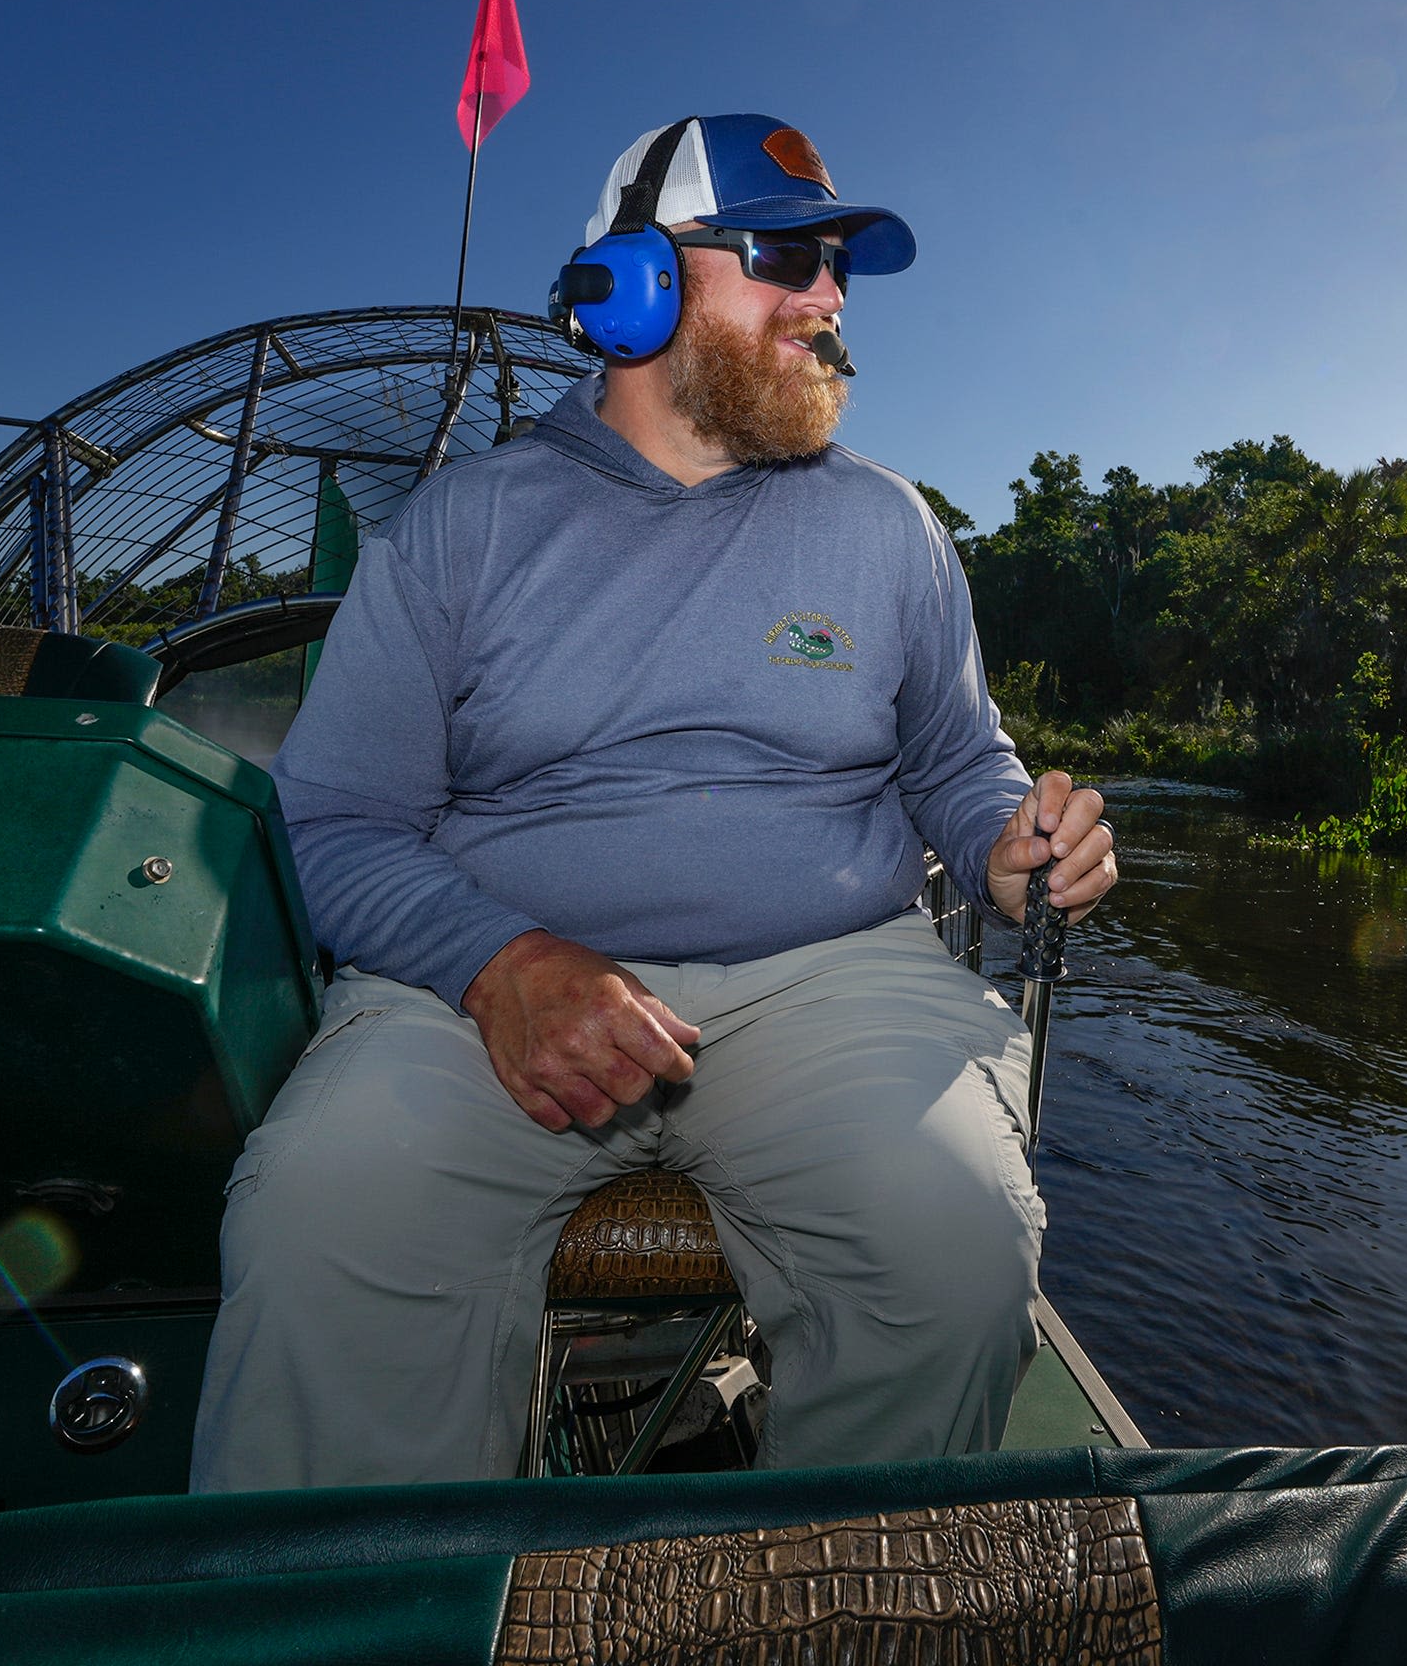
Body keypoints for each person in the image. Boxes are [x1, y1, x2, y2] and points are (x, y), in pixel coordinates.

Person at [190, 114, 1116, 1491]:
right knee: (328, 1221)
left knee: (952, 1234)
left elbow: (951, 760)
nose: (831, 299)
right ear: (638, 284)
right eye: (788, 257)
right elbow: (335, 824)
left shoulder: (890, 525)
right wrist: (497, 964)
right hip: (482, 986)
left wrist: (1007, 843)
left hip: (827, 981)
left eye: (840, 268)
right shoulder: (464, 525)